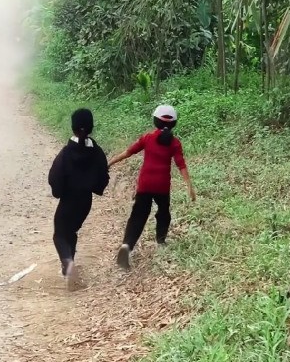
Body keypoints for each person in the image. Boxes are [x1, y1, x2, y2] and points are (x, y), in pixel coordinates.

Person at [108, 104, 196, 271]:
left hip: (145, 184)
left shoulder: (147, 138)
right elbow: (181, 165)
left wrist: (110, 162)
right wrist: (189, 186)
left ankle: (127, 245)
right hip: (162, 186)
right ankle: (161, 241)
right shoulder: (175, 143)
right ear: (174, 124)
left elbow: (128, 152)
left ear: (155, 121)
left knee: (138, 216)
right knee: (163, 213)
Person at [47, 108, 110, 290]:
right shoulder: (97, 152)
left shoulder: (66, 153)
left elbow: (55, 178)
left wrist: (58, 192)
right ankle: (70, 263)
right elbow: (103, 177)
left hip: (68, 200)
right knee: (71, 231)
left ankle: (67, 263)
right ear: (91, 127)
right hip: (85, 202)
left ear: (73, 127)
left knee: (59, 234)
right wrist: (95, 187)